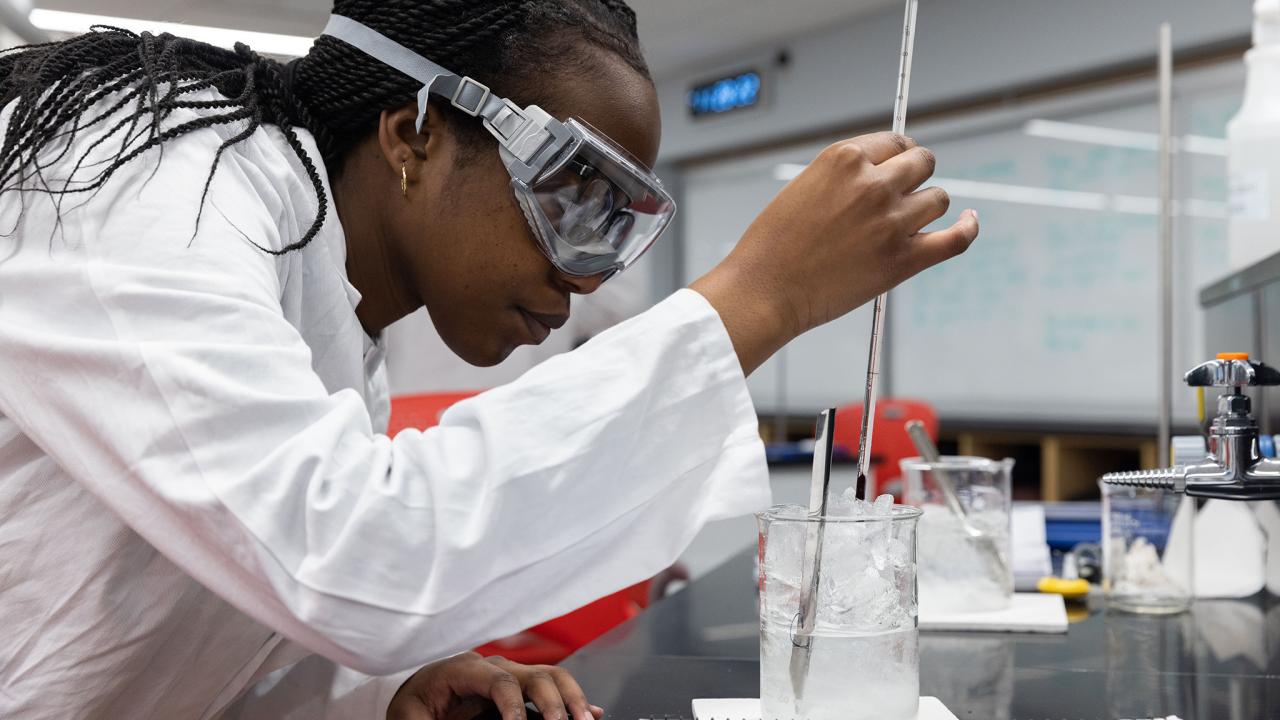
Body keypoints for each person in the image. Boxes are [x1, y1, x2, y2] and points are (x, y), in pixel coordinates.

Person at [0, 1, 978, 718]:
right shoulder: (148, 175)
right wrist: (758, 298)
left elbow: (196, 604)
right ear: (413, 136)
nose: (583, 275)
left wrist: (384, 687)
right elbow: (343, 551)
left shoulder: (329, 314)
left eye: (615, 229)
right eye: (570, 197)